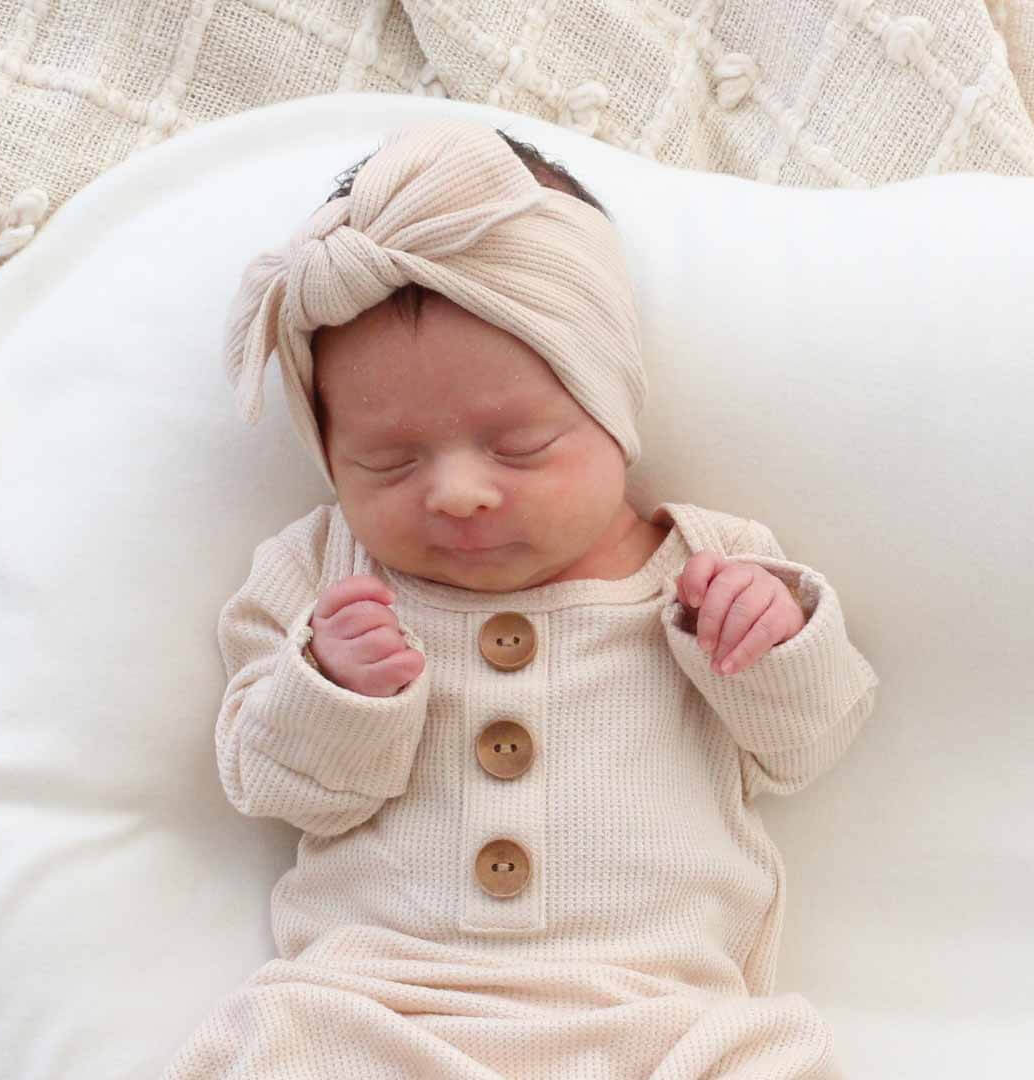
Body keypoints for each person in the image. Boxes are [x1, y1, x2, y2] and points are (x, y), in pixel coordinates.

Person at [161, 117, 879, 1079]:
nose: (457, 493)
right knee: (278, 1048)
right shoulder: (320, 573)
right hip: (379, 1006)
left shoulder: (712, 565)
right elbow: (267, 784)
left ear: (611, 407)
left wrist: (773, 640)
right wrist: (331, 689)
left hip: (659, 1011)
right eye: (389, 462)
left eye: (520, 447)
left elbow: (810, 744)